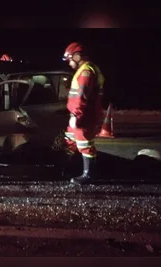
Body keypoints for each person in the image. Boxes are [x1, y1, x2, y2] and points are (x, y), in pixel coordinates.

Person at [62, 42, 105, 185]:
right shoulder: (86, 70)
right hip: (81, 113)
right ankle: (68, 168)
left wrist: (76, 115)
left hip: (85, 115)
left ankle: (89, 175)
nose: (69, 62)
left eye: (70, 59)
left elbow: (81, 96)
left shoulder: (86, 72)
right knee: (70, 140)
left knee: (85, 143)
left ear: (77, 56)